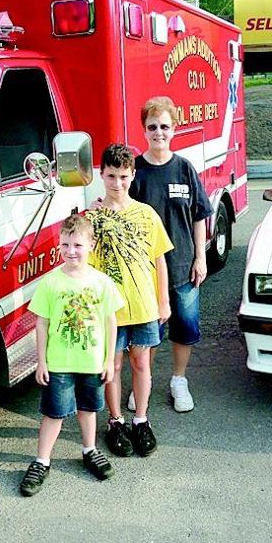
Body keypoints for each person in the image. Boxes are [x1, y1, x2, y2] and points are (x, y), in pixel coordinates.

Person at [19, 214, 124, 496]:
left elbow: (110, 322)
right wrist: (41, 361)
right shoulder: (51, 282)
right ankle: (42, 460)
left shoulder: (102, 283)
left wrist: (108, 360)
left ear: (91, 244)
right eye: (65, 245)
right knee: (53, 413)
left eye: (77, 245)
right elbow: (41, 323)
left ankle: (89, 450)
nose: (71, 251)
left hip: (91, 363)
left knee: (88, 409)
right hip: (58, 364)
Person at [129, 96, 213, 413]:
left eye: (165, 126)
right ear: (144, 130)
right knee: (149, 333)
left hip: (183, 269)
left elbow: (199, 215)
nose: (159, 132)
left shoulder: (184, 169)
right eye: (152, 127)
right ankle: (142, 383)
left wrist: (200, 258)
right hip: (145, 272)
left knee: (185, 328)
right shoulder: (135, 172)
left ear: (174, 129)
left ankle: (178, 380)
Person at [89, 143, 174, 459]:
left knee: (141, 362)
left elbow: (160, 259)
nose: (117, 184)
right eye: (111, 176)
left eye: (124, 176)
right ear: (101, 175)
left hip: (143, 305)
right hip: (109, 310)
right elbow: (83, 264)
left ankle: (141, 419)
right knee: (113, 365)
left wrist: (163, 301)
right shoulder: (93, 218)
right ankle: (114, 421)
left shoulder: (146, 214)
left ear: (133, 175)